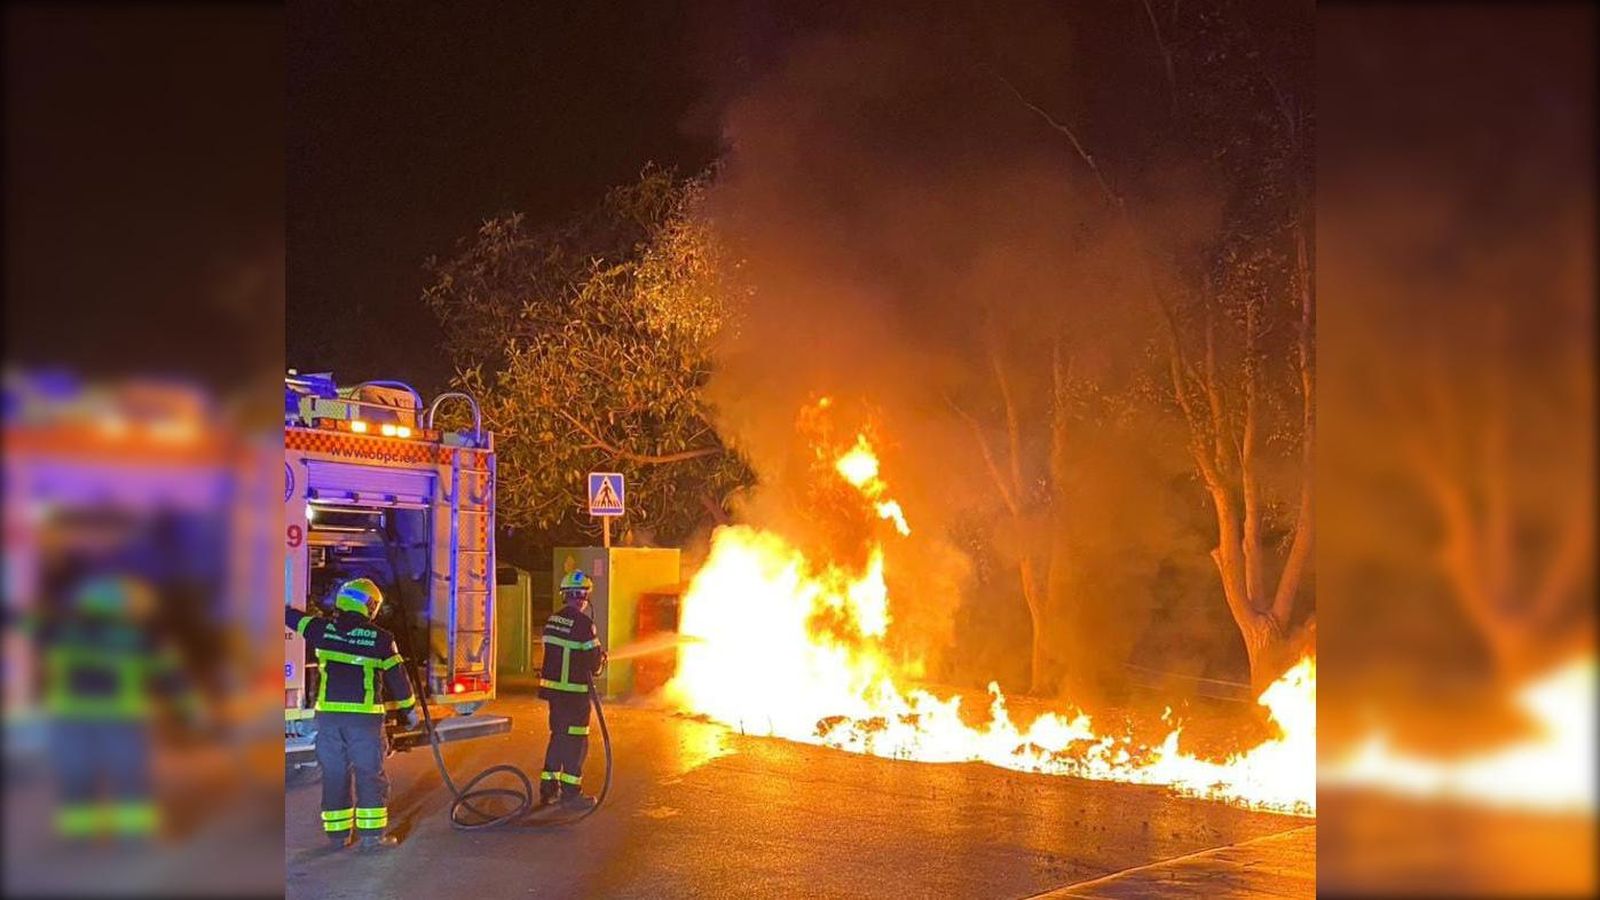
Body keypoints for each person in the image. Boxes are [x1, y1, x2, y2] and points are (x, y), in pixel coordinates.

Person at [34, 573, 199, 843]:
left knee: (76, 773)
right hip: (120, 718)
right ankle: (132, 833)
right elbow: (172, 679)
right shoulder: (141, 639)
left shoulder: (60, 632)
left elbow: (24, 626)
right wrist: (190, 714)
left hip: (71, 717)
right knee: (128, 774)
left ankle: (79, 833)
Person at [286, 577, 418, 851]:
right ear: (370, 606)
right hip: (364, 722)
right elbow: (398, 679)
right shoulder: (381, 639)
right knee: (369, 774)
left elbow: (292, 618)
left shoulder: (320, 629)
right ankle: (371, 838)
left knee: (334, 774)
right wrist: (409, 710)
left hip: (329, 720)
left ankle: (338, 837)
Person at [537, 570, 606, 810]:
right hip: (575, 694)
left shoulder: (553, 620)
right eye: (581, 595)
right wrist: (601, 660)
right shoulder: (585, 625)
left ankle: (548, 790)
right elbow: (594, 664)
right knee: (576, 741)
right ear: (584, 598)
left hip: (554, 694)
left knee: (558, 737)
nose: (581, 599)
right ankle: (571, 793)